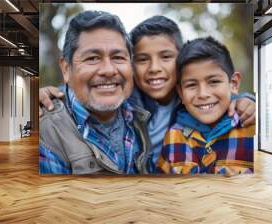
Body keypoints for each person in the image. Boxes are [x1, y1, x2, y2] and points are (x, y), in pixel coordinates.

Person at [40, 15, 256, 174]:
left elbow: (215, 91)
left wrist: (245, 100)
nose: (154, 68)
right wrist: (53, 92)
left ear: (182, 62)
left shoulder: (190, 98)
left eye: (166, 57)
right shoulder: (127, 100)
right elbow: (88, 88)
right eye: (142, 59)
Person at [39, 10, 151, 175]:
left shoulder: (145, 113)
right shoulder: (47, 133)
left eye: (118, 57)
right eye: (92, 58)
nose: (108, 70)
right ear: (66, 68)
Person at [157, 36, 254, 175]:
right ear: (180, 93)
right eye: (191, 85)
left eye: (213, 82)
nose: (203, 94)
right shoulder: (172, 136)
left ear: (234, 84)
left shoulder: (252, 129)